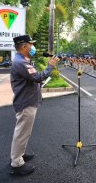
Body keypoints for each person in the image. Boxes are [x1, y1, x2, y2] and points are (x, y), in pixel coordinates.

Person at [10, 35, 60, 176]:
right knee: (21, 133)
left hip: (28, 100)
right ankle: (16, 163)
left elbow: (34, 78)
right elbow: (38, 77)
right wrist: (51, 65)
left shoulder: (24, 60)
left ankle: (20, 154)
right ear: (24, 46)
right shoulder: (21, 63)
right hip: (26, 103)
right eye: (31, 44)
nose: (33, 47)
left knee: (25, 132)